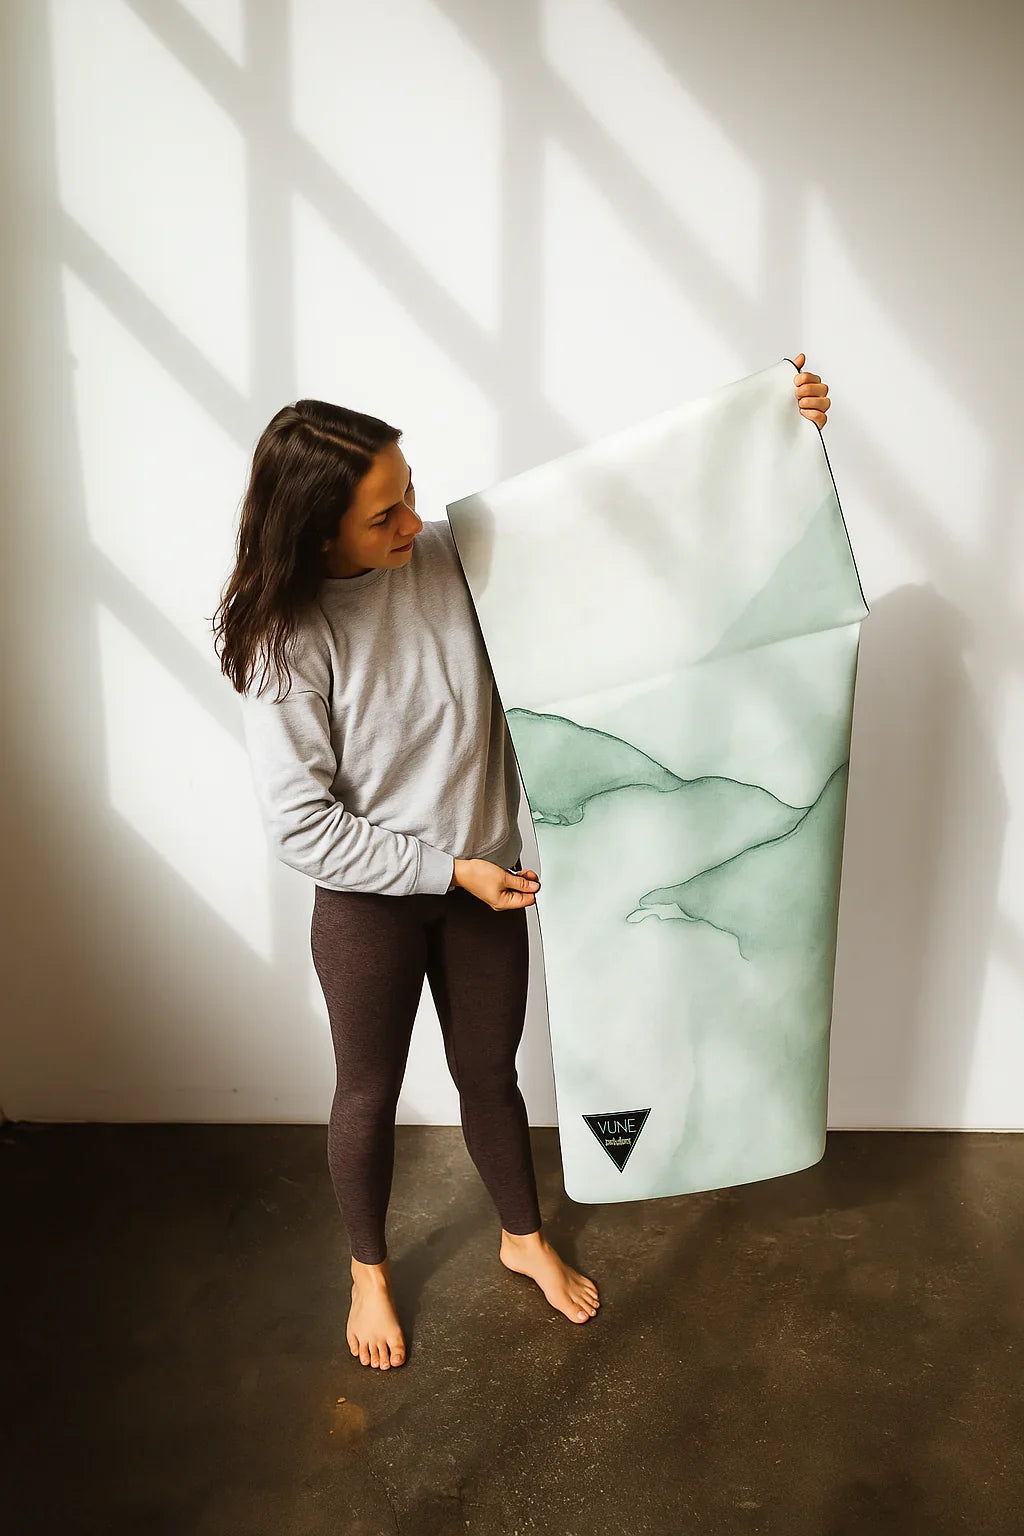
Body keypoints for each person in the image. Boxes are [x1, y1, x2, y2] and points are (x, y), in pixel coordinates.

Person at [211, 358, 830, 1374]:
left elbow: (622, 510)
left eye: (409, 493)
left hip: (484, 881)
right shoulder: (286, 643)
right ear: (316, 532)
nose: (415, 524)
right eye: (384, 517)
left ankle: (520, 1234)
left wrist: (776, 431)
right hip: (376, 903)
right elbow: (300, 827)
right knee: (365, 1090)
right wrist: (449, 871)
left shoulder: (453, 555)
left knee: (488, 1076)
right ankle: (367, 1266)